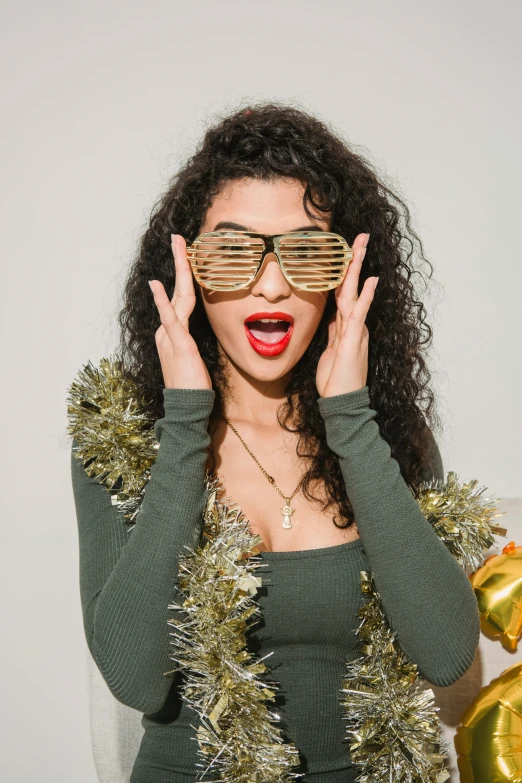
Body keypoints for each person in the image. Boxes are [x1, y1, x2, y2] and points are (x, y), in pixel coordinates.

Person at [70, 102, 481, 782]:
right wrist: (183, 424)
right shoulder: (122, 439)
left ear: (346, 271)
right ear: (188, 270)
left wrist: (349, 417)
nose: (271, 283)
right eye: (232, 251)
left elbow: (444, 653)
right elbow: (136, 678)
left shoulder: (386, 438)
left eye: (306, 252)